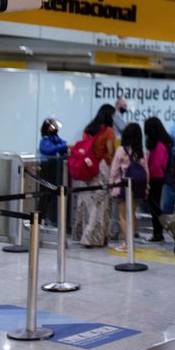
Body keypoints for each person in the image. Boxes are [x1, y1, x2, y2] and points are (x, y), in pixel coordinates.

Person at [72, 104, 115, 247]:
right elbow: (110, 151)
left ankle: (81, 234)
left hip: (87, 167)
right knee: (100, 203)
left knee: (86, 201)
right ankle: (93, 237)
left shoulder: (87, 129)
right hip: (101, 168)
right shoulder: (108, 131)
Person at [110, 123, 150, 252]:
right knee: (132, 214)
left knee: (123, 215)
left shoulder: (121, 150)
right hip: (137, 187)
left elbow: (114, 170)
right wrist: (147, 186)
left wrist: (111, 185)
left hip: (123, 186)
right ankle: (131, 241)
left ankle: (127, 243)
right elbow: (146, 170)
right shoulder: (141, 151)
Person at [144, 117, 173, 243]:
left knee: (154, 206)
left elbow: (156, 165)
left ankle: (158, 232)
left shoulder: (159, 145)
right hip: (157, 177)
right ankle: (158, 232)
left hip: (155, 178)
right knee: (154, 206)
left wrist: (146, 174)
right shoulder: (161, 144)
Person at [38, 116, 68, 226]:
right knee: (45, 193)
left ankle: (51, 217)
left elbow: (62, 144)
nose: (55, 128)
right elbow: (49, 149)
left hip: (55, 168)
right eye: (52, 125)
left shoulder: (55, 138)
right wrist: (63, 145)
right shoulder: (44, 140)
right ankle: (42, 216)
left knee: (53, 194)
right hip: (46, 168)